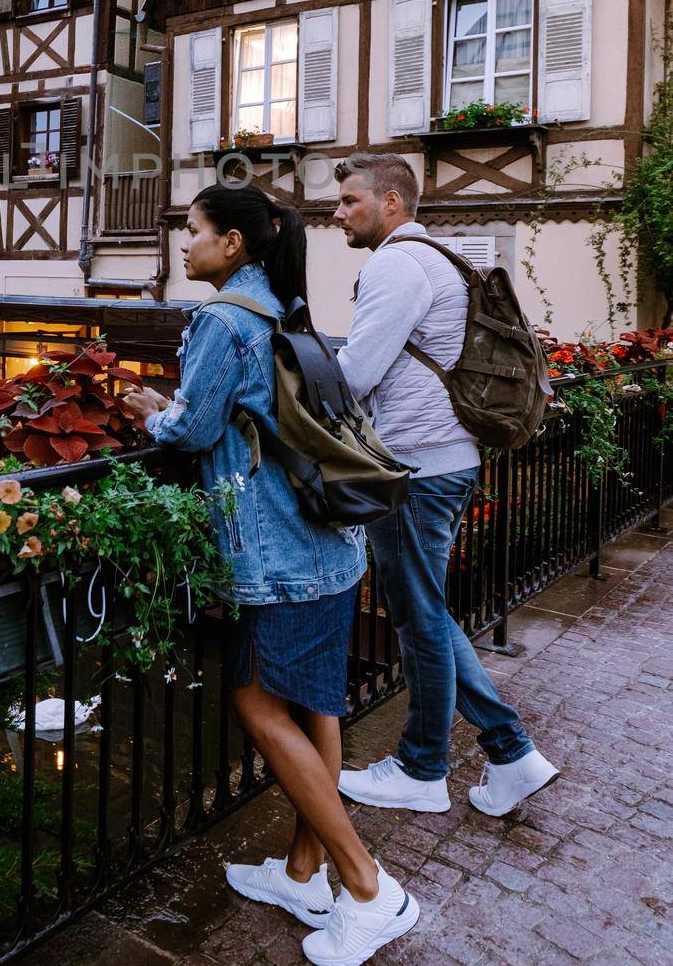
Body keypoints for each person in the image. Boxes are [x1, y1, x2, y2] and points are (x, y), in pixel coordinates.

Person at [123, 185, 420, 966]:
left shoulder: (222, 320)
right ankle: (302, 871)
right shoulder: (286, 309)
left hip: (278, 554)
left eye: (192, 232)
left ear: (231, 245)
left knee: (258, 704)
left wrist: (148, 412)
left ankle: (367, 889)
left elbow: (191, 430)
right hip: (328, 544)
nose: (182, 246)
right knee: (316, 704)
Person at [332, 153, 557, 817]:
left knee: (420, 618)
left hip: (414, 466)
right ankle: (504, 754)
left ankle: (428, 765)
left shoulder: (396, 264)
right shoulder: (438, 258)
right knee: (424, 612)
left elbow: (353, 375)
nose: (337, 213)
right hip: (446, 459)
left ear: (391, 202)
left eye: (349, 201)